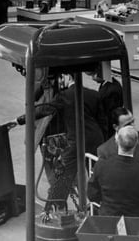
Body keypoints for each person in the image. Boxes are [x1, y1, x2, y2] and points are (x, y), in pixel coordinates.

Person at [15, 73, 104, 208]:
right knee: (96, 173)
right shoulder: (94, 94)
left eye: (62, 77)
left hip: (76, 141)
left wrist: (20, 120)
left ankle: (52, 209)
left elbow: (44, 110)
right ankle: (99, 206)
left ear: (68, 77)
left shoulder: (65, 96)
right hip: (96, 139)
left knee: (64, 174)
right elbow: (103, 121)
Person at [87, 126, 139, 218]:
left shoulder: (100, 166)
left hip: (108, 219)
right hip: (136, 222)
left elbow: (92, 195)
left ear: (117, 141)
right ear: (137, 143)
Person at [96, 107, 139, 173]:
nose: (133, 126)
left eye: (133, 121)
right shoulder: (104, 150)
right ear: (116, 127)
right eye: (128, 124)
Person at [89, 66, 123, 140]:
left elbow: (109, 113)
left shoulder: (112, 89)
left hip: (110, 128)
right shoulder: (107, 85)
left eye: (93, 75)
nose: (93, 78)